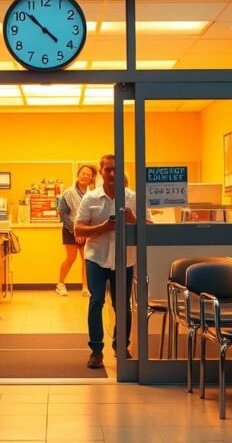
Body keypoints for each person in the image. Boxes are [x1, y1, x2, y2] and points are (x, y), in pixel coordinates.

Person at [75, 154, 140, 369]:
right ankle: (96, 351)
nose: (112, 173)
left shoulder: (132, 197)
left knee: (123, 305)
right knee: (96, 302)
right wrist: (102, 227)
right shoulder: (90, 198)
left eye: (116, 169)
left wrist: (133, 220)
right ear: (101, 172)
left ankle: (122, 347)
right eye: (108, 169)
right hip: (97, 257)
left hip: (125, 258)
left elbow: (149, 226)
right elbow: (78, 229)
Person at [57, 164, 97, 297]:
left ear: (92, 178)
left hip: (86, 230)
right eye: (82, 173)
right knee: (71, 258)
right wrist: (75, 231)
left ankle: (85, 287)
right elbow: (62, 213)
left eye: (88, 174)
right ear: (77, 175)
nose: (84, 176)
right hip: (70, 229)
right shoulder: (68, 192)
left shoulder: (93, 194)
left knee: (86, 259)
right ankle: (60, 284)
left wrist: (85, 231)